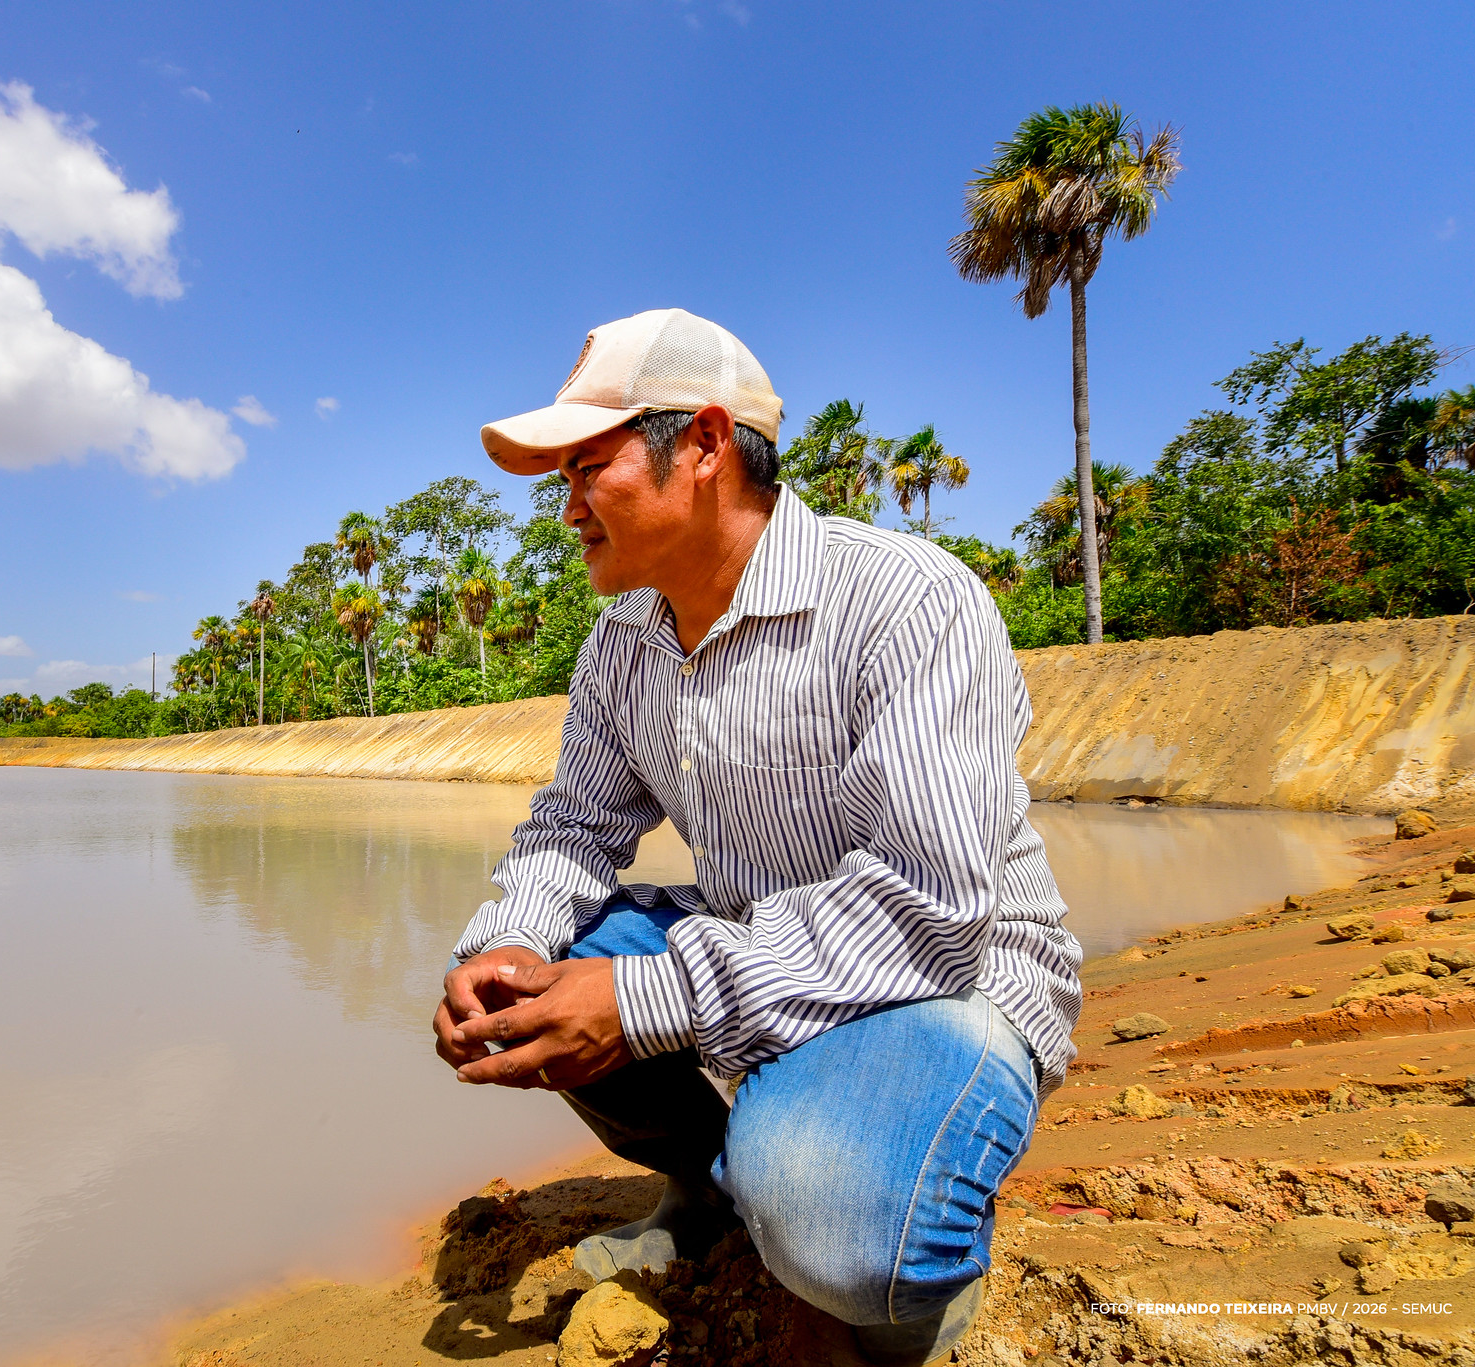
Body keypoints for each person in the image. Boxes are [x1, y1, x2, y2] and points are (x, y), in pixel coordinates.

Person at [431, 309, 1083, 1365]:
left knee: (836, 1234)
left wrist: (644, 998)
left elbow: (929, 910)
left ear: (702, 444)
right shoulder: (623, 642)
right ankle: (709, 1185)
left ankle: (902, 1250)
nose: (568, 508)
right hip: (759, 947)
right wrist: (502, 944)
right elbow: (575, 824)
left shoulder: (906, 602)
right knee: (532, 978)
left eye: (587, 469)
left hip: (943, 982)